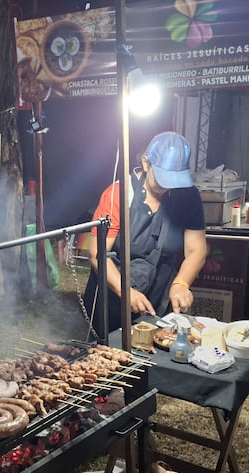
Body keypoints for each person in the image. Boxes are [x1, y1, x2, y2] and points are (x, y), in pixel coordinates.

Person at [84, 131, 208, 334]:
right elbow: (97, 254)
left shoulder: (188, 196)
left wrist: (181, 283)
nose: (168, 187)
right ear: (146, 163)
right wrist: (126, 292)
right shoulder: (118, 194)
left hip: (160, 292)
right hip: (113, 295)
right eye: (163, 178)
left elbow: (196, 250)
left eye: (174, 180)